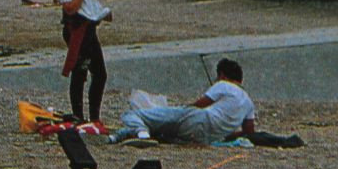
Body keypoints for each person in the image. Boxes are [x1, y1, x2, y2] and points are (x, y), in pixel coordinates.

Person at [109, 58, 256, 145]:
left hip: (198, 119)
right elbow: (249, 132)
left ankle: (140, 133)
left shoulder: (224, 85)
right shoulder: (249, 102)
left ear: (222, 75)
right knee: (161, 131)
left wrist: (181, 110)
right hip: (204, 137)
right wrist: (225, 133)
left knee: (133, 114)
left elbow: (200, 105)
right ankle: (118, 136)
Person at [55, 0, 112, 124]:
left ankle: (94, 116)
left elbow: (90, 5)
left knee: (100, 74)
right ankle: (78, 115)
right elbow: (71, 8)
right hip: (76, 30)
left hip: (89, 29)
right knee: (80, 73)